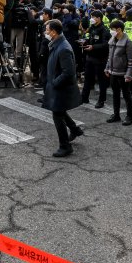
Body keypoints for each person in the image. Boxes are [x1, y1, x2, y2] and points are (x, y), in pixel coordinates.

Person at [41, 19, 83, 158]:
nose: (45, 32)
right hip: (57, 86)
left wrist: (54, 83)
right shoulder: (55, 44)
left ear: (53, 32)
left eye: (47, 30)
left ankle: (65, 146)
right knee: (60, 111)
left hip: (61, 87)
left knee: (57, 115)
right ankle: (75, 129)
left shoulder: (63, 48)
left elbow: (68, 72)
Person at [104, 20, 132, 125]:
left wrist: (129, 75)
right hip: (113, 72)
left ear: (119, 29)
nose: (111, 31)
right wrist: (107, 68)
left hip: (123, 74)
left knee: (127, 96)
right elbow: (110, 57)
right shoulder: (112, 40)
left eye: (112, 29)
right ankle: (116, 115)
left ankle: (129, 117)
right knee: (115, 95)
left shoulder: (128, 42)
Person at [80, 11, 111, 108]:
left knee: (102, 81)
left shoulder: (104, 30)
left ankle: (101, 100)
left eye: (93, 17)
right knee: (88, 78)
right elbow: (90, 39)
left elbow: (106, 44)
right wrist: (84, 42)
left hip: (100, 59)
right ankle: (84, 97)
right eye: (91, 16)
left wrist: (93, 47)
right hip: (90, 57)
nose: (91, 18)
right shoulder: (92, 28)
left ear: (99, 18)